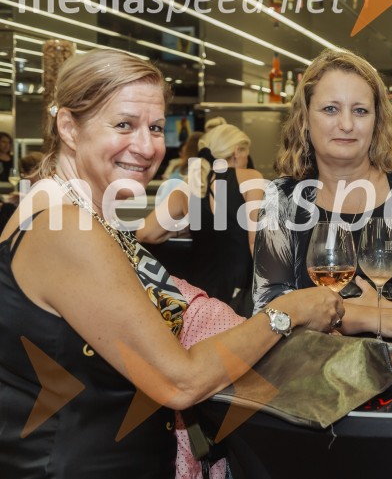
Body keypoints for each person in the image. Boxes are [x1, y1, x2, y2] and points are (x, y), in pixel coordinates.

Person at [0, 48, 343, 477]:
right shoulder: (67, 227)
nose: (146, 147)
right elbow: (181, 381)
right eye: (124, 124)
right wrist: (286, 313)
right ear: (69, 126)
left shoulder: (57, 207)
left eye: (156, 127)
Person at [253, 47, 392, 339]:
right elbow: (267, 309)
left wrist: (382, 306)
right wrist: (375, 317)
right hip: (314, 378)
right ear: (306, 119)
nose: (346, 124)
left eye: (360, 110)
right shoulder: (282, 199)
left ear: (377, 121)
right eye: (330, 109)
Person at [140, 124, 263, 314]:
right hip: (239, 296)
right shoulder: (250, 178)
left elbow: (146, 233)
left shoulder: (188, 186)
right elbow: (256, 243)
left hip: (200, 297)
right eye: (247, 152)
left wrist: (185, 226)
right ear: (237, 152)